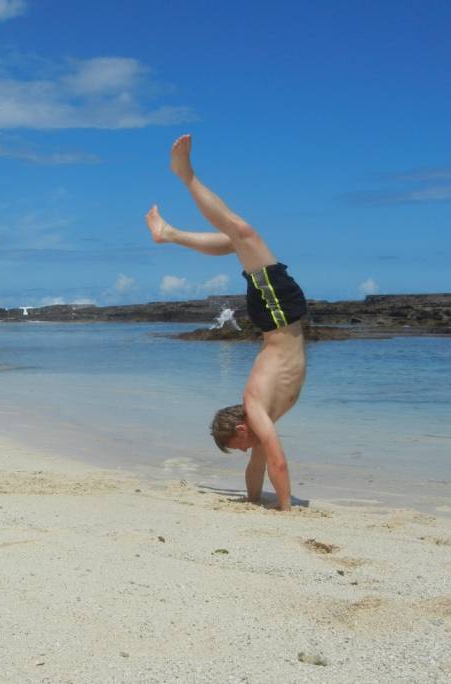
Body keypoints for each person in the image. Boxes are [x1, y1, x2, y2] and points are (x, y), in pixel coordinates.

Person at [145, 134, 307, 510]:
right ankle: (168, 233)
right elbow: (262, 464)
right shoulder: (261, 413)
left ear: (238, 429)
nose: (246, 449)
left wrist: (284, 510)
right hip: (279, 316)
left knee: (242, 232)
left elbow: (276, 460)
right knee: (238, 240)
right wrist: (256, 503)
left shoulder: (256, 409)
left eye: (240, 445)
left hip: (278, 315)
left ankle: (185, 177)